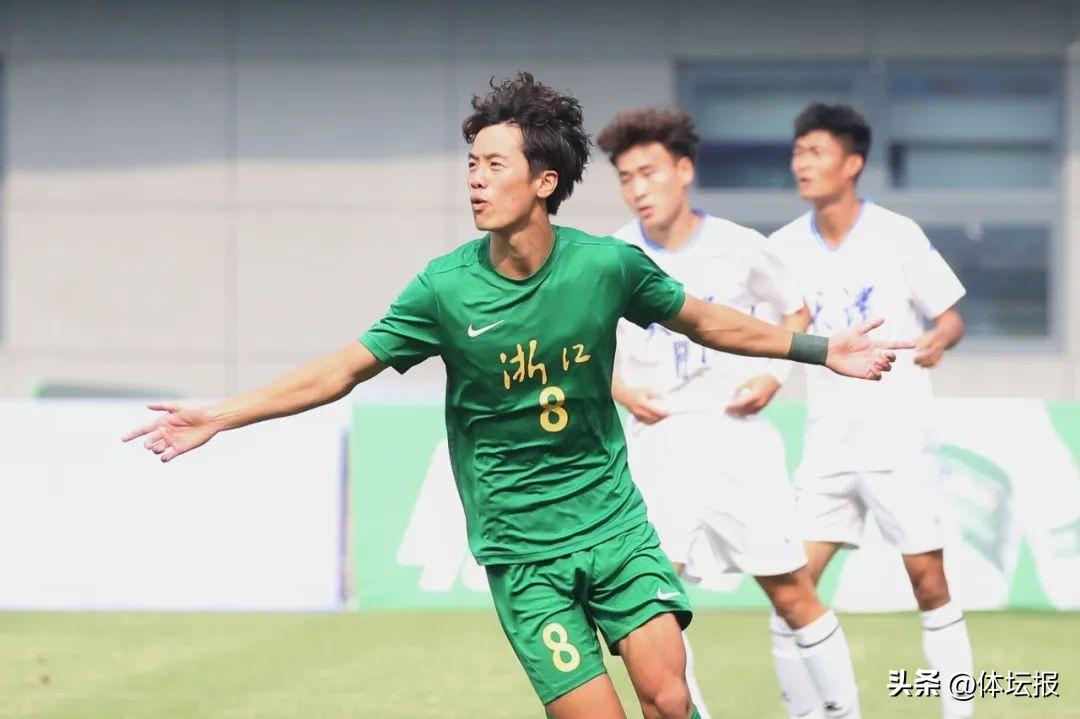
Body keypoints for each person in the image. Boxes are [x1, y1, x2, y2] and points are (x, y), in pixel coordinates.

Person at [123, 75, 906, 719]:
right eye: (471, 163)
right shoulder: (444, 288)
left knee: (670, 698)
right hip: (522, 551)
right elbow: (344, 369)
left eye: (494, 164)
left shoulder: (605, 267)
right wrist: (221, 413)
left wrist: (821, 349)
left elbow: (705, 319)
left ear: (544, 181)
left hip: (614, 525)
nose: (475, 177)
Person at [597, 107, 861, 719]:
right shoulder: (609, 256)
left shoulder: (740, 246)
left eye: (649, 173)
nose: (638, 189)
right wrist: (622, 391)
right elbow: (578, 345)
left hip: (734, 439)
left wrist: (774, 374)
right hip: (654, 446)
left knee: (792, 593)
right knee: (654, 609)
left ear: (684, 170)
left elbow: (796, 308)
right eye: (626, 178)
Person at [770, 103, 973, 719]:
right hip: (826, 448)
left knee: (929, 584)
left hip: (898, 442)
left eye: (816, 152)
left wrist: (939, 340)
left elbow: (951, 317)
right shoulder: (783, 248)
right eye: (798, 152)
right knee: (790, 592)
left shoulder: (897, 234)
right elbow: (774, 332)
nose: (802, 163)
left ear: (852, 162)